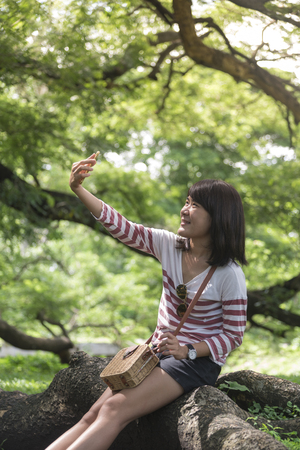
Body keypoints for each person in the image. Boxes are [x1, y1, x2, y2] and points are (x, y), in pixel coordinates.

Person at [46, 153, 248, 450]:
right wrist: (78, 188)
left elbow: (233, 335)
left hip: (194, 363)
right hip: (153, 351)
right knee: (93, 414)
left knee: (114, 411)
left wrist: (188, 350)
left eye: (196, 205)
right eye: (187, 202)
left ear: (219, 217)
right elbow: (123, 228)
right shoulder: (170, 246)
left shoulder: (229, 274)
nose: (185, 210)